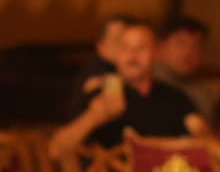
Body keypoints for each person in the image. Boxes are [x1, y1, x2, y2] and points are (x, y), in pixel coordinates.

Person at [47, 18, 206, 161]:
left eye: (141, 48)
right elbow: (56, 150)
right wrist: (93, 117)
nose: (132, 55)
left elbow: (206, 143)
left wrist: (202, 133)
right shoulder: (101, 94)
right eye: (125, 48)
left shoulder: (175, 97)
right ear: (117, 55)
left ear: (157, 53)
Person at [156, 15, 210, 118]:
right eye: (181, 43)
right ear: (161, 47)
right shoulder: (145, 83)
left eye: (196, 46)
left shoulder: (202, 93)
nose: (188, 52)